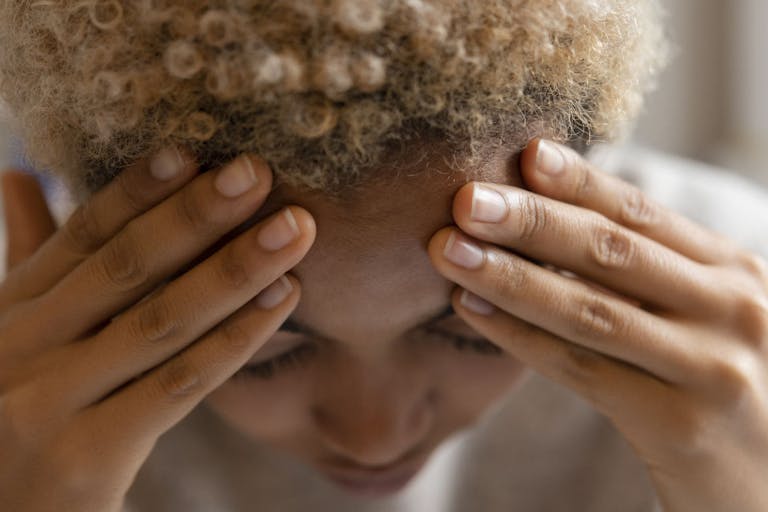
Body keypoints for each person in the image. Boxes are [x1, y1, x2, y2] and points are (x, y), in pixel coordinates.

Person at [0, 1, 767, 511]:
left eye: (473, 328)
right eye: (263, 355)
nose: (378, 436)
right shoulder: (22, 399)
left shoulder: (735, 343)